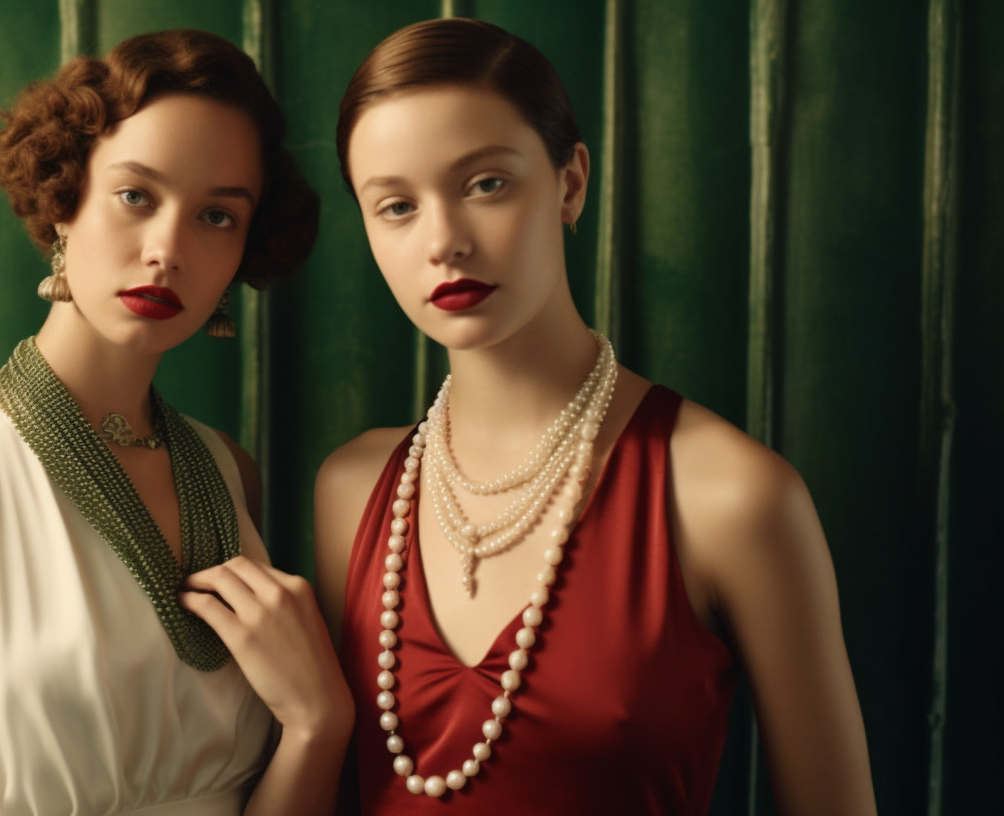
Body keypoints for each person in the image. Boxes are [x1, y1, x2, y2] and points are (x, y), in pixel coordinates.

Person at [313, 18, 875, 815]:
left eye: (486, 184)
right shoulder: (352, 487)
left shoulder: (731, 497)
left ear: (571, 182)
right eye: (397, 206)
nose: (444, 242)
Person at [0, 29, 352, 816]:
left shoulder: (227, 472)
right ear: (63, 197)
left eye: (217, 216)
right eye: (136, 195)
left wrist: (321, 724)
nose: (166, 251)